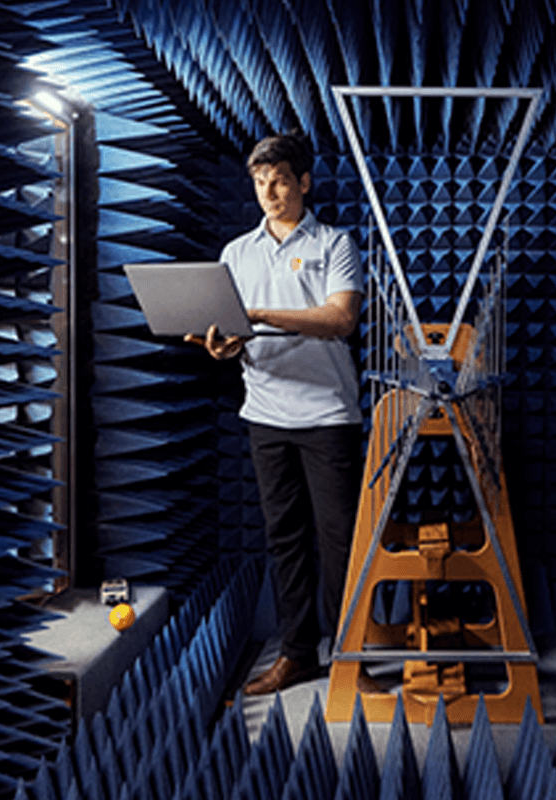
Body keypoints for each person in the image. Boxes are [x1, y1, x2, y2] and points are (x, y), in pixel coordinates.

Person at [186, 132, 376, 696]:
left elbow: (341, 318)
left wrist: (260, 313)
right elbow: (230, 333)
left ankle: (352, 656)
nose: (269, 191)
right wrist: (222, 346)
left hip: (328, 416)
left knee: (341, 541)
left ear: (304, 183)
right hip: (265, 415)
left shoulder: (334, 244)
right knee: (285, 539)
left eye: (280, 180)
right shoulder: (235, 254)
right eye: (260, 181)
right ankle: (298, 655)